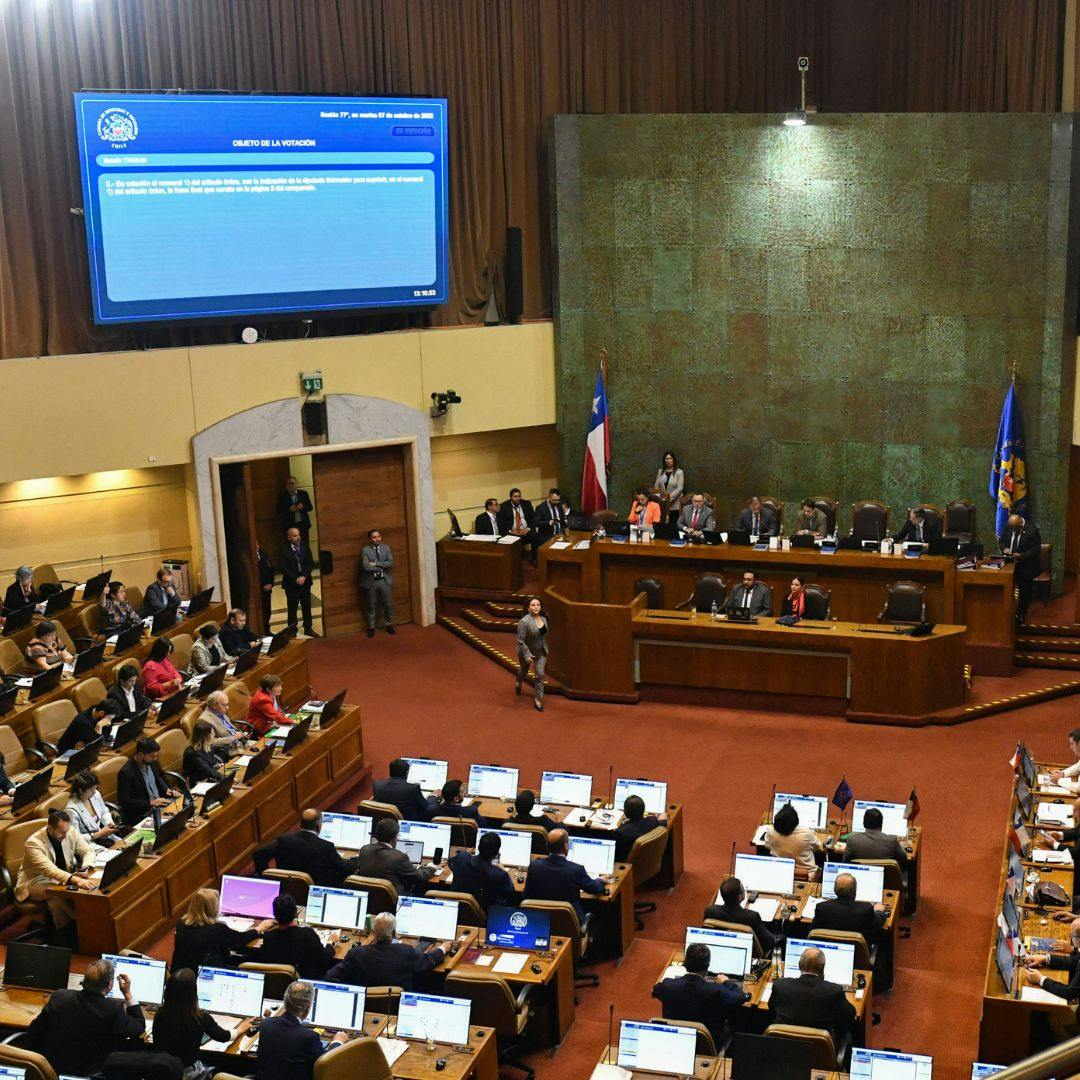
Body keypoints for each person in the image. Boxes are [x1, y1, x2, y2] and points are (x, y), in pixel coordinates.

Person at [25, 957, 146, 1076]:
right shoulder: (113, 1009)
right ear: (110, 985)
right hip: (92, 1073)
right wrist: (128, 994)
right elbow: (138, 1027)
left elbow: (34, 1031)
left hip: (51, 1071)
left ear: (84, 980)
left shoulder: (60, 997)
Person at [651, 941, 746, 1050]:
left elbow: (654, 990)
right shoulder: (717, 990)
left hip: (676, 1041)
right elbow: (740, 997)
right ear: (707, 967)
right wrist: (726, 982)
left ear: (684, 963)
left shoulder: (668, 986)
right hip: (707, 1046)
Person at [15, 808, 94, 937]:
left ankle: (66, 934)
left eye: (67, 831)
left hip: (61, 878)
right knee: (56, 893)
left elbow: (88, 851)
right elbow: (49, 870)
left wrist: (85, 867)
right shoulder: (33, 843)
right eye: (62, 832)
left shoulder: (69, 832)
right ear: (50, 829)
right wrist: (76, 879)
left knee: (55, 900)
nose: (65, 835)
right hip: (34, 882)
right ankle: (79, 923)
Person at [153, 967, 244, 1073]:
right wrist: (240, 1029)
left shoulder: (160, 1014)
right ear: (193, 993)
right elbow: (223, 1036)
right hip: (188, 1072)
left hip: (162, 1071)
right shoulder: (200, 1017)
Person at [326, 911, 444, 990]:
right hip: (397, 1007)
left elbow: (330, 977)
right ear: (394, 933)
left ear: (373, 933)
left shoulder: (356, 954)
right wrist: (444, 948)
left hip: (365, 1006)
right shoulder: (406, 952)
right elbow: (430, 960)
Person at [257, 980, 347, 1080]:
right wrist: (337, 1042)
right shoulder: (309, 1037)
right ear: (307, 1009)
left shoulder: (266, 1024)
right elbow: (326, 1065)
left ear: (285, 1002)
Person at [172, 887, 271, 974]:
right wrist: (259, 928)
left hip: (180, 975)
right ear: (212, 908)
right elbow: (241, 939)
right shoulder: (217, 930)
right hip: (207, 975)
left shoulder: (181, 924)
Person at [253, 808, 360, 888]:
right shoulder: (325, 846)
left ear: (301, 824)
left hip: (287, 888)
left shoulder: (284, 840)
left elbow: (258, 854)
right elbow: (344, 868)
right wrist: (357, 859)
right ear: (318, 826)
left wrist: (267, 879)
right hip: (316, 890)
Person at [769, 945, 855, 1044]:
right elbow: (850, 1014)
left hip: (782, 1047)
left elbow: (771, 1008)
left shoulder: (780, 985)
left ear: (799, 965)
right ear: (822, 968)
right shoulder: (834, 991)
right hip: (819, 1053)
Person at [522, 828, 604, 921]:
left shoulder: (534, 866)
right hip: (569, 923)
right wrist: (601, 880)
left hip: (541, 921)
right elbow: (595, 888)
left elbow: (526, 895)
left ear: (547, 846)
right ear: (565, 846)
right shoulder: (576, 869)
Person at [255, 893, 336, 978]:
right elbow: (324, 959)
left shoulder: (269, 937)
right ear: (295, 912)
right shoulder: (308, 934)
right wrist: (331, 943)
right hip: (304, 982)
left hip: (276, 984)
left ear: (275, 915)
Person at [352, 817, 437, 894]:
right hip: (392, 899)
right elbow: (420, 878)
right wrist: (431, 868)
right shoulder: (399, 857)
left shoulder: (364, 849)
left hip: (369, 897)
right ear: (395, 838)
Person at [117, 736, 181, 826]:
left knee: (183, 812)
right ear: (140, 755)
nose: (155, 759)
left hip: (161, 804)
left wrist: (166, 789)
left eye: (156, 756)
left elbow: (158, 778)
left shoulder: (151, 761)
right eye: (152, 756)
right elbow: (124, 801)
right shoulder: (126, 773)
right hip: (144, 812)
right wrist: (150, 803)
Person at [703, 876, 777, 954]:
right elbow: (770, 943)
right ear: (740, 896)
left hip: (722, 948)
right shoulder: (752, 917)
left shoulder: (710, 911)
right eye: (743, 890)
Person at [812, 872, 886, 945]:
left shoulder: (822, 907)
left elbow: (813, 931)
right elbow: (878, 923)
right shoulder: (866, 909)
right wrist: (879, 911)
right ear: (855, 891)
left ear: (834, 890)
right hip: (859, 954)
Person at [447, 831, 515, 910]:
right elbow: (511, 892)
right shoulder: (500, 874)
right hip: (482, 916)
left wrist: (469, 858)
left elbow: (450, 863)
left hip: (455, 909)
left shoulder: (462, 858)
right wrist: (503, 870)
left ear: (478, 847)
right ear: (497, 853)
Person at [1002, 512, 1043, 625]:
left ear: (1020, 523)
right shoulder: (1009, 526)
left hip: (1026, 566)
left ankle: (1020, 615)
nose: (1014, 532)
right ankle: (1006, 612)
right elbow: (1002, 540)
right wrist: (1005, 549)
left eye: (1016, 529)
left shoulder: (1032, 530)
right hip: (1010, 564)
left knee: (1025, 591)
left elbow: (1036, 550)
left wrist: (1021, 556)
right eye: (1012, 529)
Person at [66, 769, 122, 847]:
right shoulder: (71, 810)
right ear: (81, 791)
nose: (95, 792)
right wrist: (97, 834)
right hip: (88, 844)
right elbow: (75, 837)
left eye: (95, 789)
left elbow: (104, 812)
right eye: (91, 790)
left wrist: (109, 823)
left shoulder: (95, 795)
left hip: (104, 838)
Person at [279, 526, 317, 637]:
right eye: (295, 536)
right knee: (292, 607)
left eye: (298, 535)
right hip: (291, 583)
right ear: (289, 537)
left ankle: (308, 628)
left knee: (307, 606)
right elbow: (283, 567)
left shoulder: (304, 546)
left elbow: (310, 562)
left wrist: (304, 576)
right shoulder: (283, 549)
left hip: (305, 581)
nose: (298, 538)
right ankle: (292, 631)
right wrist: (295, 578)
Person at [515, 596, 548, 712]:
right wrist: (527, 655)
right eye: (533, 605)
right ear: (528, 608)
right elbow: (520, 641)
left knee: (540, 674)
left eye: (538, 605)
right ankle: (519, 681)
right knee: (523, 671)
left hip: (541, 652)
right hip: (527, 652)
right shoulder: (524, 622)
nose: (536, 607)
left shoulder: (544, 619)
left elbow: (543, 637)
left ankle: (538, 700)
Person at [844, 807, 911, 864]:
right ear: (881, 824)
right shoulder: (892, 840)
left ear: (864, 823)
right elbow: (904, 857)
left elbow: (844, 862)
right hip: (887, 878)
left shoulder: (852, 840)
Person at [360, 528, 395, 638]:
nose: (377, 539)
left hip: (385, 580)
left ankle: (389, 625)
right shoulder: (365, 550)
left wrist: (376, 564)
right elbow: (366, 566)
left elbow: (390, 563)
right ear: (370, 539)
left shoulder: (387, 548)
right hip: (371, 581)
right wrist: (379, 569)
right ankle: (371, 627)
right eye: (374, 537)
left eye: (378, 536)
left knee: (388, 605)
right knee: (371, 605)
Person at [763, 803, 819, 870]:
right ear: (796, 822)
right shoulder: (807, 833)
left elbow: (767, 845)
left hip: (779, 871)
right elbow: (816, 846)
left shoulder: (770, 832)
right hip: (806, 875)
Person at [614, 794, 667, 862]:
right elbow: (662, 823)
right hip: (648, 862)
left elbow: (616, 855)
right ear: (643, 810)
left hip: (627, 867)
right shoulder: (653, 821)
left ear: (625, 812)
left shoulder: (620, 832)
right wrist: (663, 818)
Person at [198, 689, 246, 756]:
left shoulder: (219, 711)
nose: (227, 708)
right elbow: (210, 742)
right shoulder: (204, 720)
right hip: (228, 750)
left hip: (239, 743)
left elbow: (229, 728)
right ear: (214, 705)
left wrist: (240, 735)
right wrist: (233, 738)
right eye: (225, 705)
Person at [247, 673, 293, 737]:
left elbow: (275, 710)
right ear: (268, 689)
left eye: (280, 685)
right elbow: (275, 715)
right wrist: (293, 721)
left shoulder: (268, 693)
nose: (280, 688)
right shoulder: (262, 699)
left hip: (270, 721)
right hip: (261, 727)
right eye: (277, 687)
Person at [499, 488, 537, 563]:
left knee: (534, 535)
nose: (517, 498)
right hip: (512, 532)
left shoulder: (526, 504)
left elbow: (533, 518)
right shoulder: (504, 506)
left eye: (519, 496)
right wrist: (511, 531)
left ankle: (534, 558)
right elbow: (502, 522)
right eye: (515, 497)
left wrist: (527, 529)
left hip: (525, 530)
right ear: (511, 497)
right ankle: (515, 561)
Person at [183, 721, 227, 786]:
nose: (214, 735)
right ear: (205, 736)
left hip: (210, 775)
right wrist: (225, 778)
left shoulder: (207, 745)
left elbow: (209, 761)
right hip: (200, 781)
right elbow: (207, 770)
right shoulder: (192, 753)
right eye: (211, 733)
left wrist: (217, 765)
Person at [142, 636, 186, 700]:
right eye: (167, 652)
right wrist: (169, 684)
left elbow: (174, 672)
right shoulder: (149, 666)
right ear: (160, 651)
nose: (168, 654)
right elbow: (151, 689)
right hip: (163, 697)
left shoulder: (164, 659)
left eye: (169, 651)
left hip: (175, 692)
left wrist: (178, 679)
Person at [277, 476, 314, 548]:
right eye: (288, 484)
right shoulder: (282, 496)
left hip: (303, 525)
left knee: (305, 545)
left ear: (296, 484)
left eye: (292, 483)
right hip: (290, 526)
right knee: (291, 547)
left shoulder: (303, 494)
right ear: (286, 486)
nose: (291, 485)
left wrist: (303, 507)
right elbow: (278, 511)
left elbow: (310, 507)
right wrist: (289, 510)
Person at [655, 451, 684, 523]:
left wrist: (668, 499)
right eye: (666, 458)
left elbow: (679, 488)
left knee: (672, 526)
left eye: (670, 458)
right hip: (662, 503)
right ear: (664, 460)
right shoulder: (660, 471)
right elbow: (656, 487)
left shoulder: (679, 472)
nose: (668, 460)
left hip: (674, 504)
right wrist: (661, 499)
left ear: (673, 460)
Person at [257, 542, 276, 630]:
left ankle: (267, 629)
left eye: (257, 543)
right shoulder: (250, 556)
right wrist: (262, 586)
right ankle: (262, 630)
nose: (256, 545)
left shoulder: (262, 552)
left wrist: (271, 583)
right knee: (261, 611)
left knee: (267, 610)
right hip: (259, 590)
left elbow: (271, 569)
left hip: (267, 588)